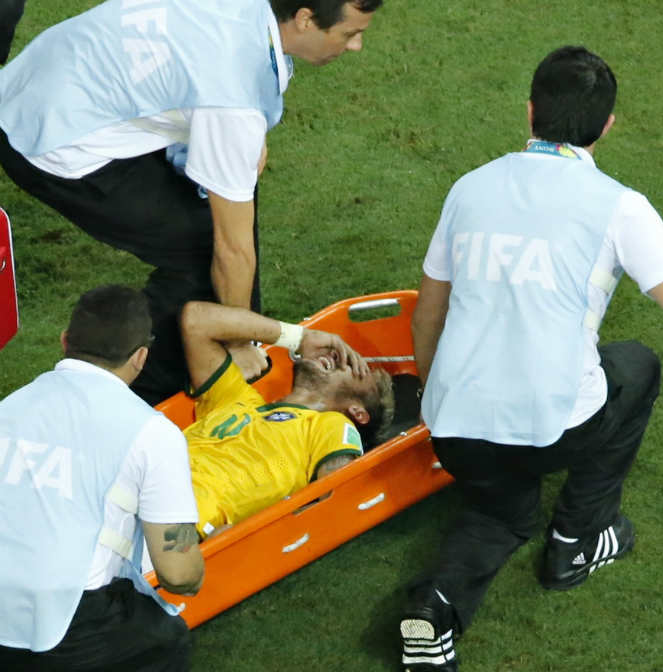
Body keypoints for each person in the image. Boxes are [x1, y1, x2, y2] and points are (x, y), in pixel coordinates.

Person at [399, 46, 663, 671]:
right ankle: (577, 542)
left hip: (456, 427)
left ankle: (432, 608)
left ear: (530, 111)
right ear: (607, 125)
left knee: (502, 510)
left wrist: (437, 397)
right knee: (636, 367)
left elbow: (427, 314)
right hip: (549, 427)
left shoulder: (468, 188)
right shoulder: (620, 205)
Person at [0, 0, 383, 406]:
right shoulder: (234, 95)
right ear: (305, 19)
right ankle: (129, 395)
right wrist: (237, 341)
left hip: (37, 80)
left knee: (234, 190)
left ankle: (215, 336)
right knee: (201, 248)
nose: (356, 45)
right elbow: (231, 247)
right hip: (46, 137)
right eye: (349, 33)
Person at [0, 285, 204, 671]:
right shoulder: (152, 433)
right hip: (64, 625)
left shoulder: (8, 407)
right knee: (166, 641)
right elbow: (177, 571)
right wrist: (193, 577)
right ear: (141, 357)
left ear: (65, 341)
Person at [178, 300, 394, 538]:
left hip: (174, 515)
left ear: (357, 412)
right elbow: (196, 320)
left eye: (353, 366)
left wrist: (243, 538)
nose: (338, 356)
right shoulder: (237, 398)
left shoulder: (329, 426)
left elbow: (338, 502)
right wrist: (300, 337)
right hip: (138, 471)